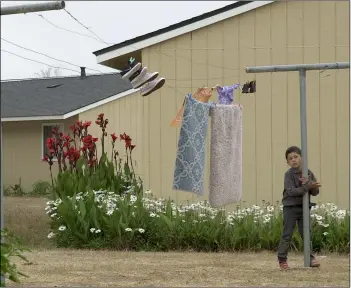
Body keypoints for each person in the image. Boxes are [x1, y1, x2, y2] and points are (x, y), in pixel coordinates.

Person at [277, 146, 321, 269]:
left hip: (304, 208)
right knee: (287, 234)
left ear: (301, 158)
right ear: (287, 162)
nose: (294, 160)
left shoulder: (308, 172)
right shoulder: (288, 174)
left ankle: (310, 257)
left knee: (306, 233)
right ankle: (282, 259)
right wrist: (306, 187)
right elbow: (291, 191)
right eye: (290, 159)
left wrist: (313, 186)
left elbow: (315, 192)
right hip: (290, 208)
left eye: (296, 157)